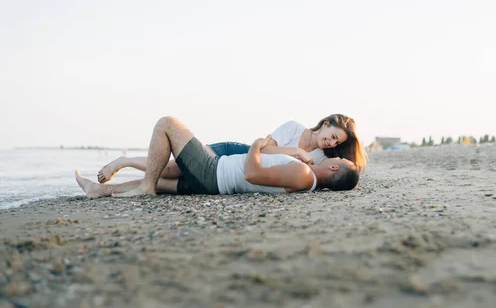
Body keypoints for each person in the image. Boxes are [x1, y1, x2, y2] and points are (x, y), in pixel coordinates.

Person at [76, 116, 359, 199]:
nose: (332, 146)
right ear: (325, 124)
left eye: (338, 151)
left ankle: (145, 187)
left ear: (333, 165)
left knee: (167, 124)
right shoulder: (307, 173)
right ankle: (100, 190)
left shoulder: (305, 174)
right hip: (216, 180)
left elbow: (251, 172)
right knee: (166, 178)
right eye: (333, 137)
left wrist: (257, 146)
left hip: (216, 173)